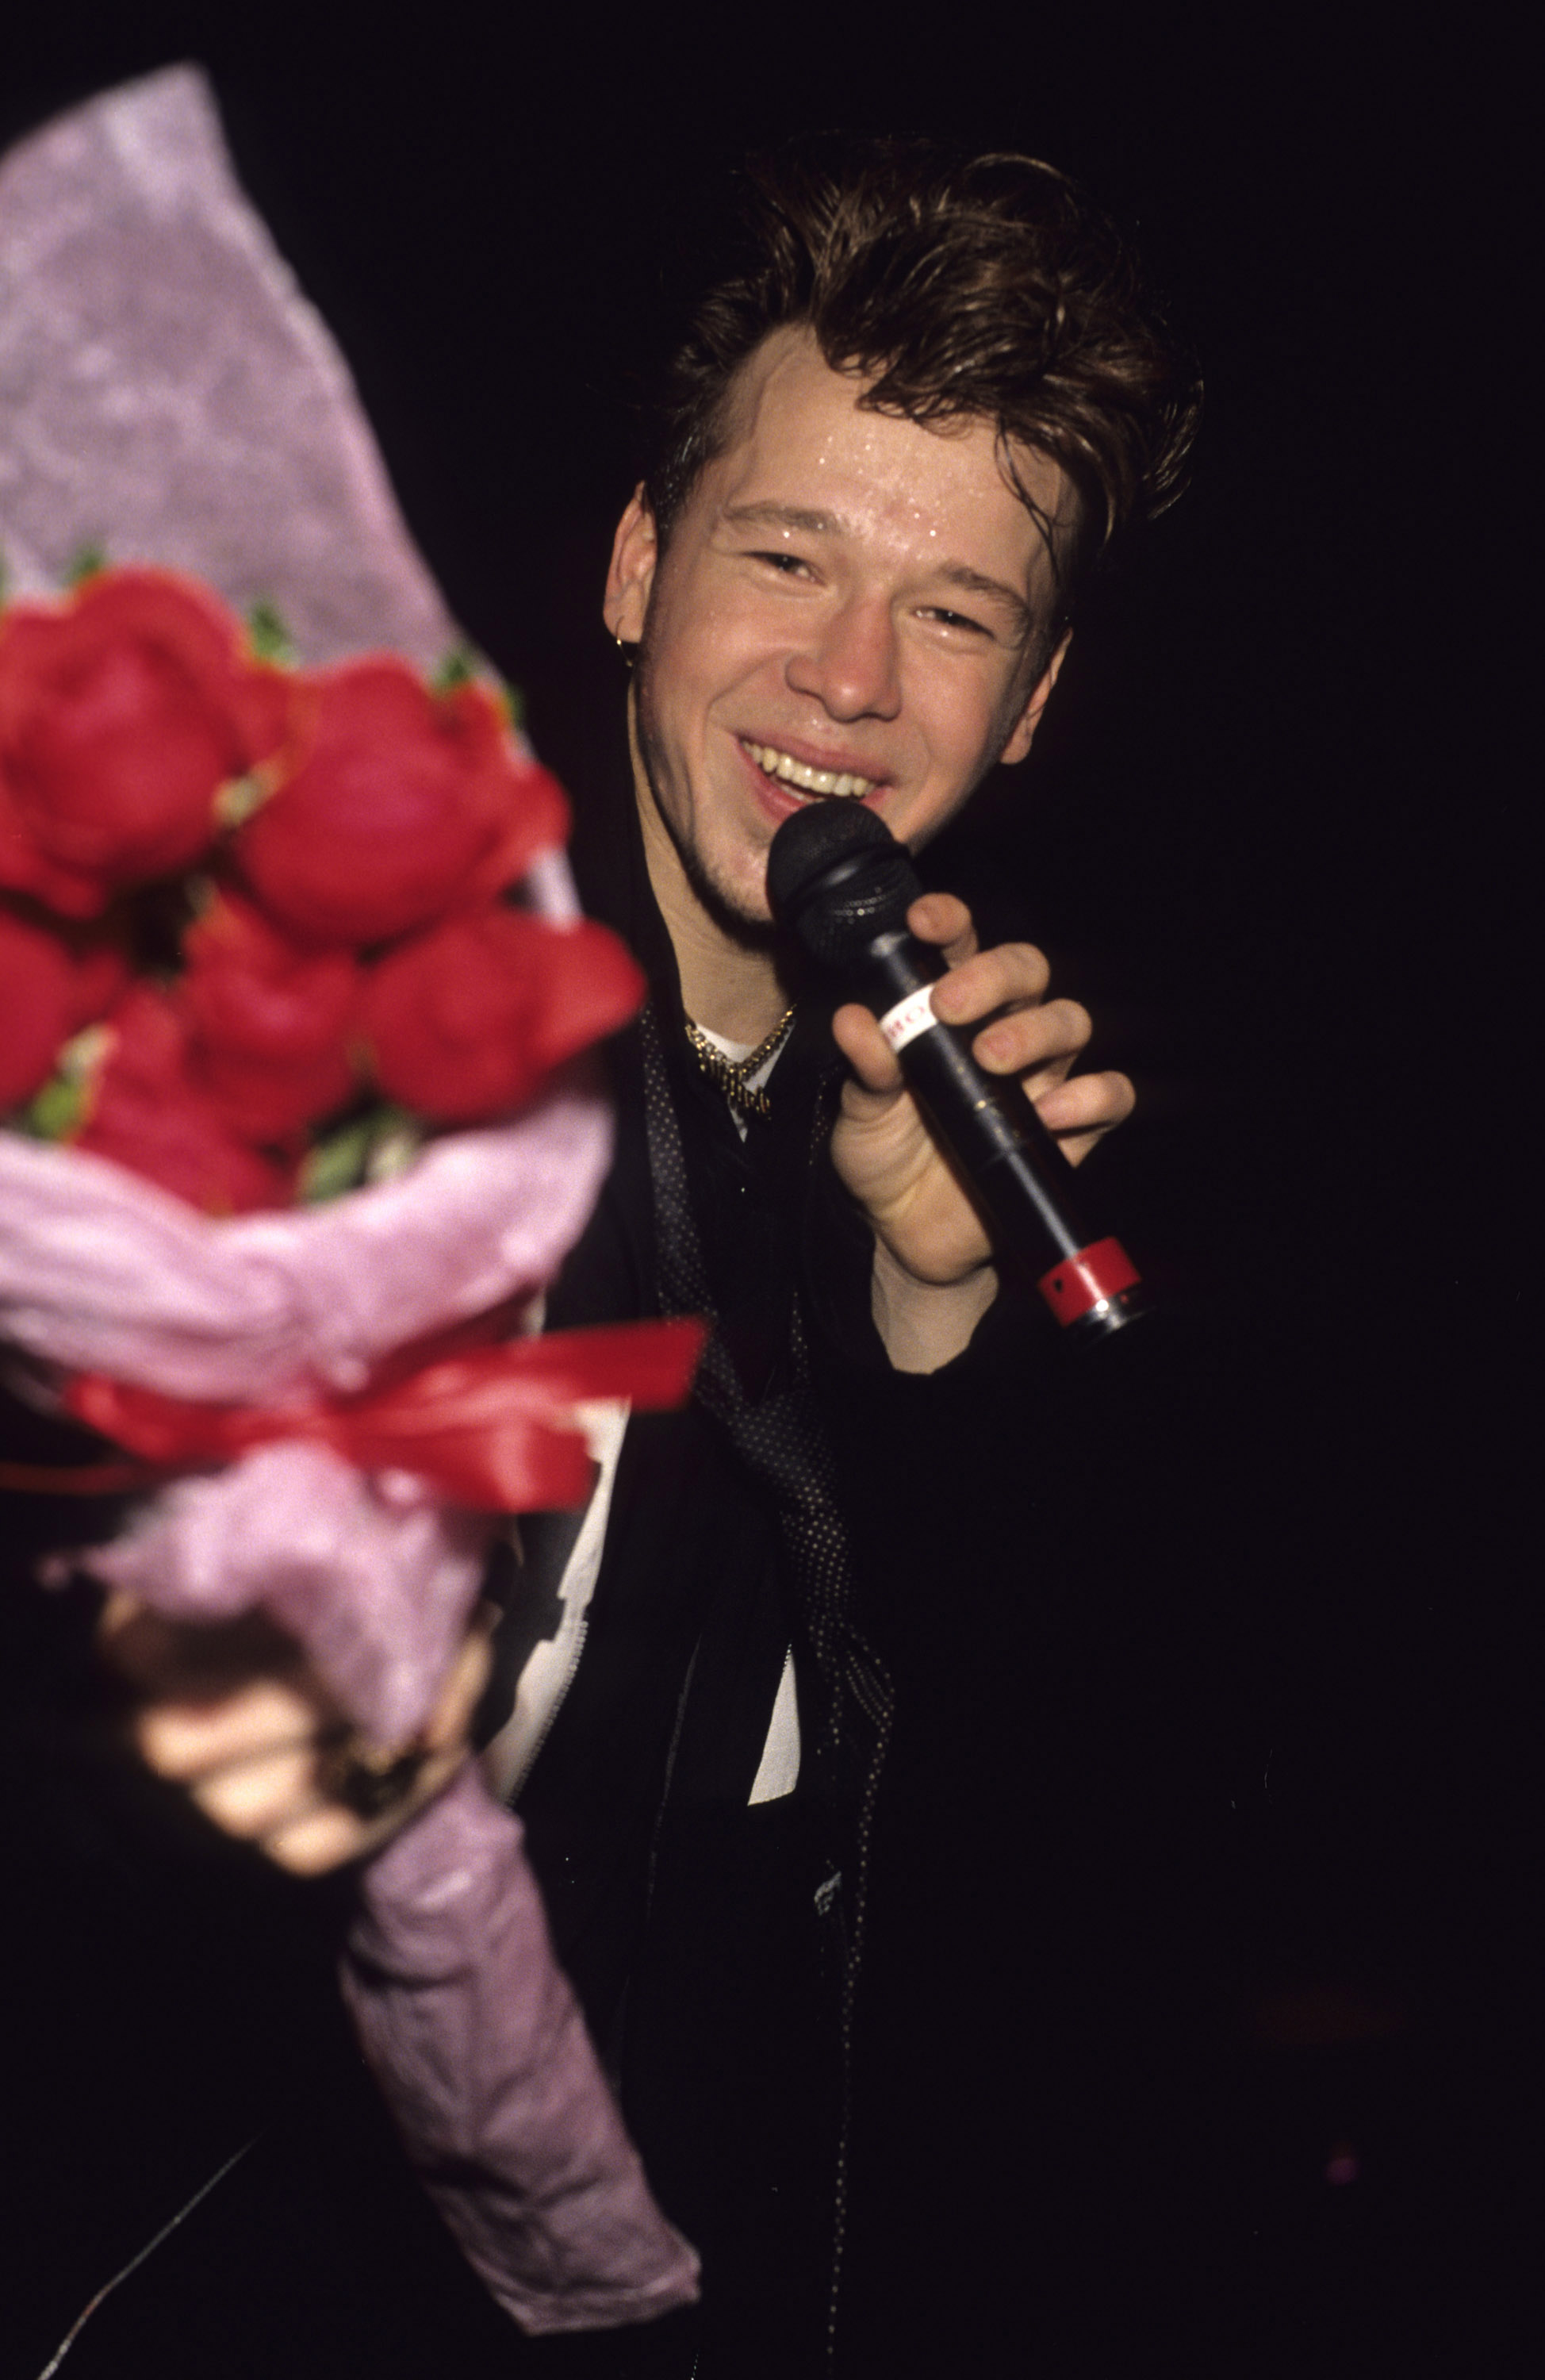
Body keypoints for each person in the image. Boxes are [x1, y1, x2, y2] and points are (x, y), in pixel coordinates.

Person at [109, 139, 1201, 2372]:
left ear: (1035, 702)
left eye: (957, 614)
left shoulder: (919, 1131)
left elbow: (983, 1890)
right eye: (784, 554)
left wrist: (928, 1309)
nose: (850, 676)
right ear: (634, 563)